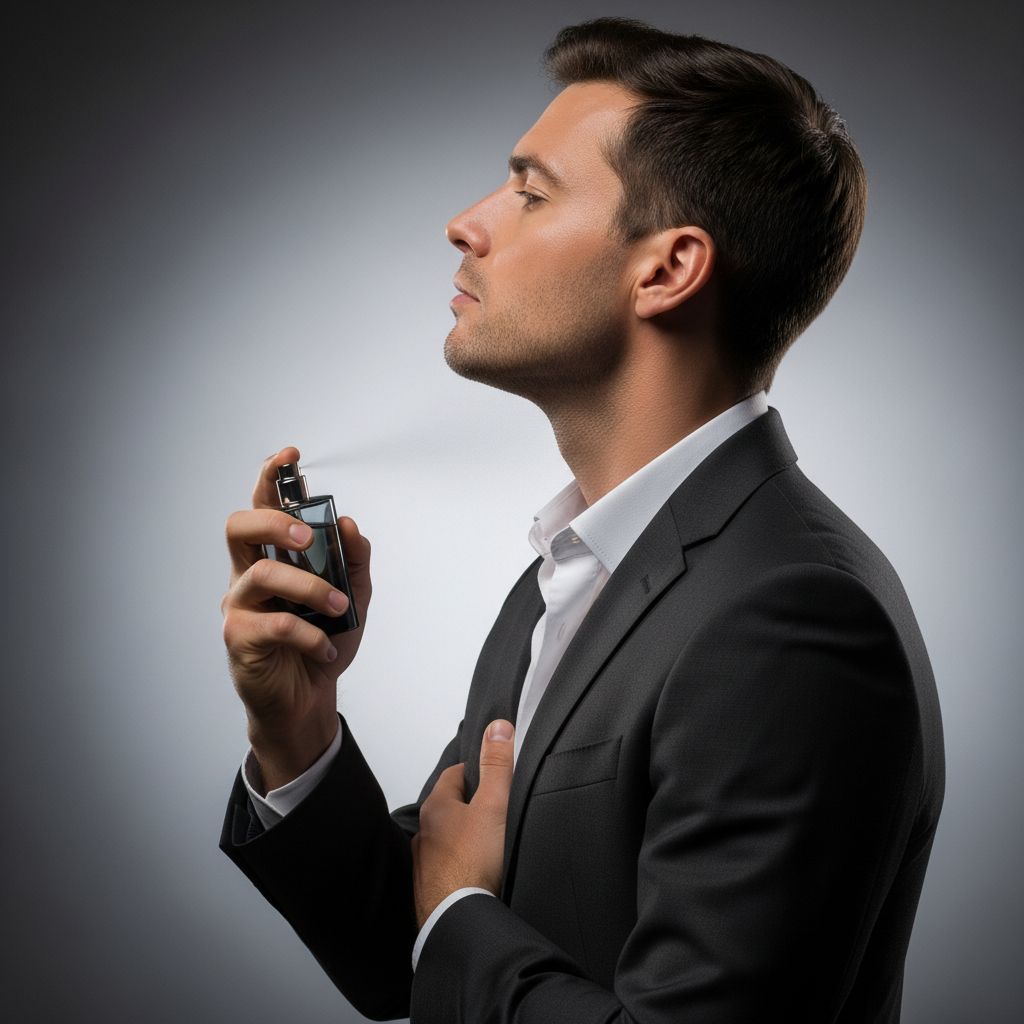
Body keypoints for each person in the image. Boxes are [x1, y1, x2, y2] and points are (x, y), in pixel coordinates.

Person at [219, 17, 944, 1024]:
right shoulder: (571, 573)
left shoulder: (795, 616)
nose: (466, 222)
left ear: (666, 269)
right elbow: (413, 953)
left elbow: (457, 920)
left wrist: (463, 906)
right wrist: (295, 731)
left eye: (529, 189)